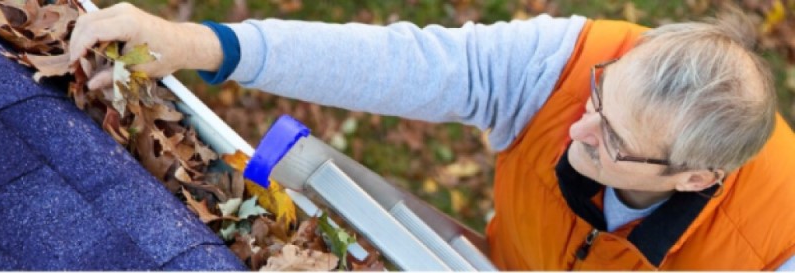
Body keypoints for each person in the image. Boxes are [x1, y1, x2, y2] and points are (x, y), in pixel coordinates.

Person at [68, 2, 795, 270]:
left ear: (695, 178)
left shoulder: (771, 248)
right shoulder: (575, 63)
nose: (577, 126)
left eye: (612, 141)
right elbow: (405, 64)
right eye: (599, 96)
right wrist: (202, 46)